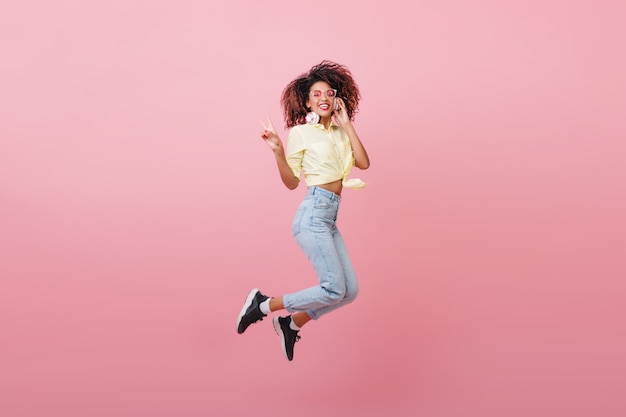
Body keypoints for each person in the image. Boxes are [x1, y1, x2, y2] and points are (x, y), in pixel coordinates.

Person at [236, 60, 370, 361]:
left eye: (329, 92)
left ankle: (291, 323)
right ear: (307, 100)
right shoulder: (300, 133)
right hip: (312, 214)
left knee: (350, 291)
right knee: (334, 288)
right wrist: (278, 152)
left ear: (337, 98)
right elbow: (291, 182)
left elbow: (363, 163)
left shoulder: (339, 132)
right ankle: (264, 304)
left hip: (330, 217)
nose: (323, 98)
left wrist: (347, 124)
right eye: (316, 94)